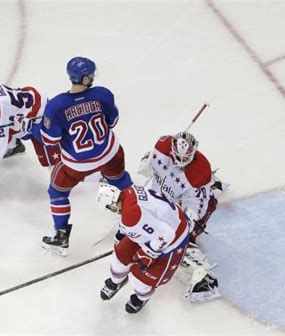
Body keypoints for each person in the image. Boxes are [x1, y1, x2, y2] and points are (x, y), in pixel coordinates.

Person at [13, 56, 132, 256]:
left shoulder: (57, 106)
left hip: (77, 164)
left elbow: (49, 140)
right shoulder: (103, 95)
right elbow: (113, 122)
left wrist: (31, 127)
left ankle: (61, 235)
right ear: (84, 78)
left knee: (57, 193)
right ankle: (134, 217)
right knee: (119, 179)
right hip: (110, 153)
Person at [136, 131, 222, 302]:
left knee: (179, 241)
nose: (180, 162)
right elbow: (148, 163)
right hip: (161, 202)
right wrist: (146, 163)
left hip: (188, 207)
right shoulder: (162, 146)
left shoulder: (199, 171)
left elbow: (195, 208)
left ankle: (204, 278)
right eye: (177, 156)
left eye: (186, 158)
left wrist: (181, 228)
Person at [96, 183, 190, 313]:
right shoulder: (127, 192)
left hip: (174, 237)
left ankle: (141, 298)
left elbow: (167, 234)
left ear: (112, 205)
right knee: (119, 258)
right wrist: (122, 232)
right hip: (154, 227)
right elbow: (141, 216)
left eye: (109, 208)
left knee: (140, 280)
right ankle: (116, 282)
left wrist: (148, 253)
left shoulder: (131, 216)